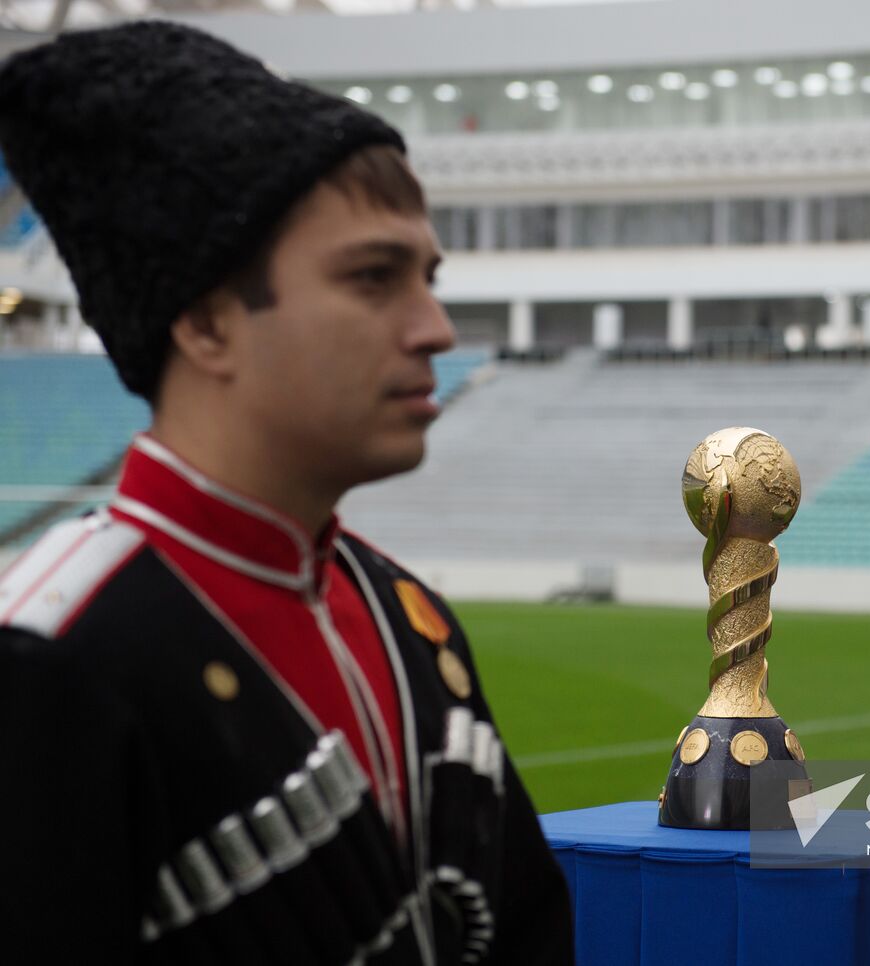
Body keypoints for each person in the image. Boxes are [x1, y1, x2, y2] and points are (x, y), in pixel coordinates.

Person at [0, 23, 572, 965]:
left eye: (428, 279)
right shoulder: (50, 664)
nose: (435, 328)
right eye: (374, 278)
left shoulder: (407, 618)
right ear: (206, 322)